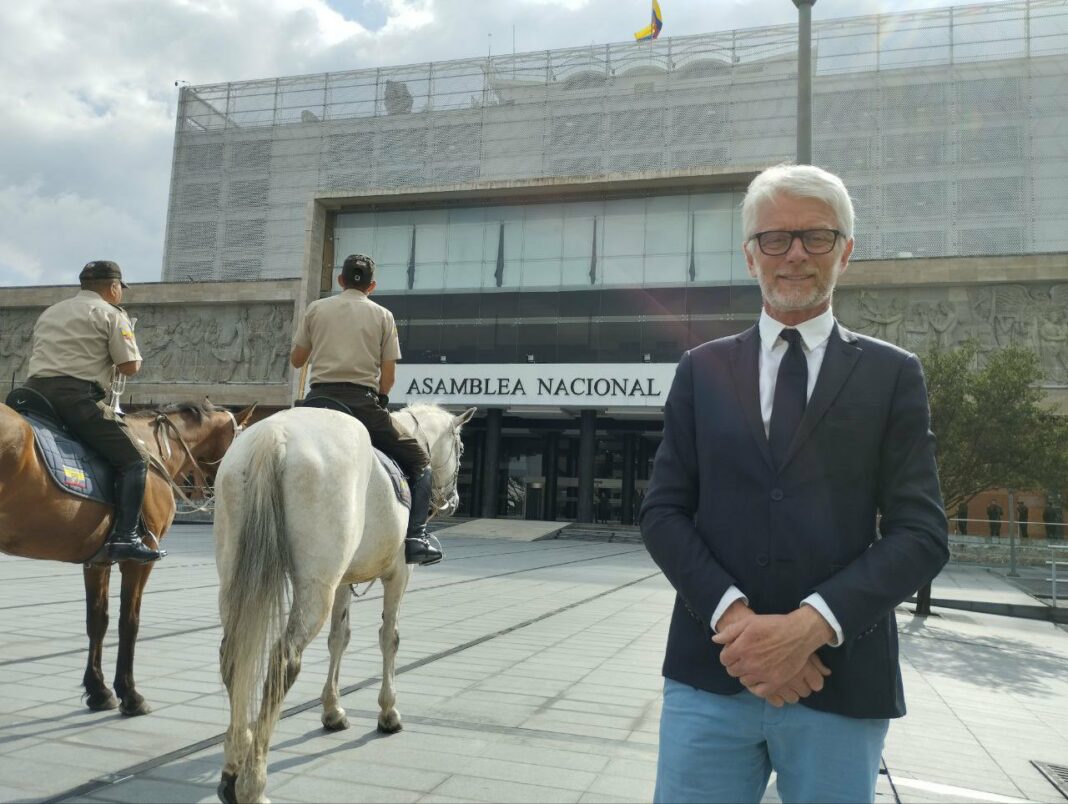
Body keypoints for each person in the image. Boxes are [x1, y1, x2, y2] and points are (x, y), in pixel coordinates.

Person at [640, 164, 948, 804]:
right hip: (713, 672)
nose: (796, 254)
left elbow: (922, 534)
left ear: (847, 252)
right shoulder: (701, 370)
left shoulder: (893, 375)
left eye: (817, 237)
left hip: (839, 679)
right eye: (776, 239)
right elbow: (664, 513)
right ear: (751, 255)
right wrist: (740, 625)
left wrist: (809, 627)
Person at [290, 254, 442, 566]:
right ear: (371, 285)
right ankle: (416, 538)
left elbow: (296, 360)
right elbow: (388, 378)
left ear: (340, 280)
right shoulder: (384, 316)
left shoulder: (316, 310)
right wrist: (382, 398)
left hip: (318, 400)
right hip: (360, 404)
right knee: (421, 462)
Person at [21, 260, 164, 563]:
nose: (120, 294)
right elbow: (130, 366)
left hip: (31, 395)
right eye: (120, 289)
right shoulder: (111, 315)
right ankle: (126, 537)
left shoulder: (51, 311)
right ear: (114, 288)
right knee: (136, 458)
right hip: (75, 399)